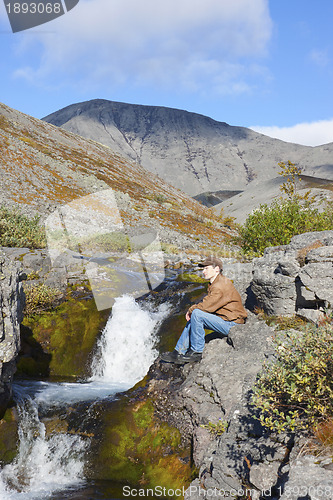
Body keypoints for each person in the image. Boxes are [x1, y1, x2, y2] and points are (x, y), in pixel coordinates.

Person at [161, 256, 247, 364]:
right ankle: (178, 352)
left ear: (217, 269)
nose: (203, 271)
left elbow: (206, 306)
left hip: (233, 325)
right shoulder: (216, 282)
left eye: (206, 268)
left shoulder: (220, 286)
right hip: (225, 321)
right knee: (195, 317)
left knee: (197, 313)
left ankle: (197, 352)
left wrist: (190, 310)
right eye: (203, 268)